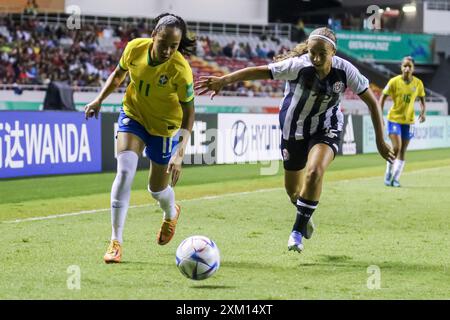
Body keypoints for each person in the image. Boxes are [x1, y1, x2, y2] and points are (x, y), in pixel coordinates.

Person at [195, 27, 394, 253]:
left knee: (314, 172)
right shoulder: (298, 66)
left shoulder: (346, 70)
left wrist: (380, 140)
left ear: (333, 52)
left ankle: (296, 232)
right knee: (293, 192)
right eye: (312, 53)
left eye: (323, 54)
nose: (317, 58)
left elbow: (372, 102)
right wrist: (225, 80)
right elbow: (258, 71)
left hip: (326, 126)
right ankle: (304, 213)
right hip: (293, 131)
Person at [84, 13, 196, 263]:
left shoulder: (180, 69)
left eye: (174, 46)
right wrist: (98, 99)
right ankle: (116, 242)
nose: (168, 50)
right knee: (124, 172)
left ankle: (170, 212)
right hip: (133, 115)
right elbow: (117, 75)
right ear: (153, 35)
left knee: (157, 190)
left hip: (164, 128)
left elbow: (189, 111)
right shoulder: (134, 48)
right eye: (164, 43)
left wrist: (180, 153)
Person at [380, 56, 426, 187]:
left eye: (409, 66)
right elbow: (382, 97)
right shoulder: (394, 81)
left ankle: (396, 178)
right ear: (401, 67)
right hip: (394, 119)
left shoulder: (418, 83)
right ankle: (388, 173)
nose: (407, 68)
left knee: (403, 150)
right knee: (396, 147)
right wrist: (379, 113)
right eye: (405, 66)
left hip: (409, 121)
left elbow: (422, 99)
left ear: (413, 68)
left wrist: (423, 112)